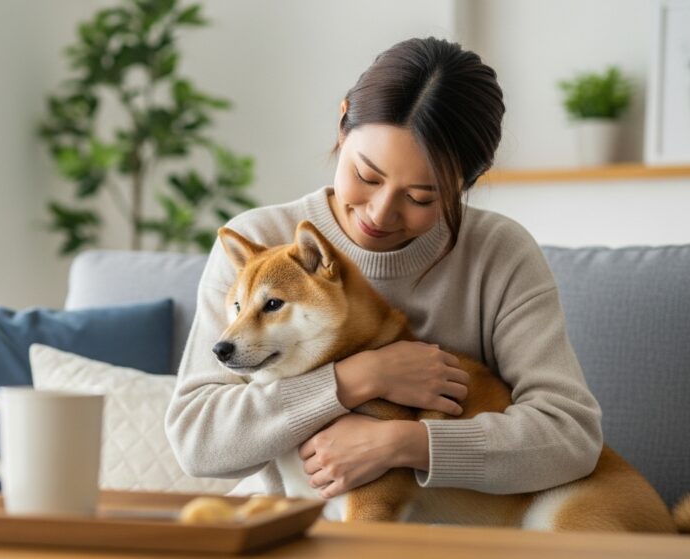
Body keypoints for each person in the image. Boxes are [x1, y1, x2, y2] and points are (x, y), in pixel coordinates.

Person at [163, 37, 603, 503]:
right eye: (366, 176)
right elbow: (198, 443)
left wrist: (406, 444)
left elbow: (570, 434)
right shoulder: (260, 241)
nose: (379, 213)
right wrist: (359, 378)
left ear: (467, 181)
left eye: (420, 197)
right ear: (342, 124)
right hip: (285, 526)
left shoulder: (499, 253)